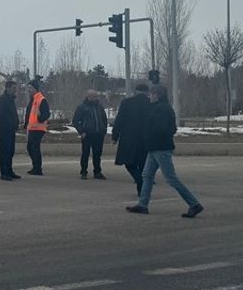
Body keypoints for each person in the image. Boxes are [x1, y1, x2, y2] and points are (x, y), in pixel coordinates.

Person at [126, 84, 203, 218]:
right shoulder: (160, 108)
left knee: (170, 178)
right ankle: (143, 204)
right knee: (147, 175)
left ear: (158, 95)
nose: (150, 96)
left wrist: (149, 136)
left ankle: (194, 204)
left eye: (153, 94)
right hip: (155, 147)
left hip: (160, 147)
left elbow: (162, 128)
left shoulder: (161, 109)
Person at [113, 84, 151, 195]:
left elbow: (119, 120)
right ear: (147, 92)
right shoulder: (151, 104)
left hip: (128, 138)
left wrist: (115, 136)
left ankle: (139, 181)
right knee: (143, 163)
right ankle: (142, 189)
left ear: (135, 91)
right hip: (146, 138)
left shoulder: (126, 103)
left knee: (129, 163)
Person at [73, 89, 109, 180]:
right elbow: (75, 121)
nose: (94, 98)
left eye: (95, 96)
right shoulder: (82, 107)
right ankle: (84, 172)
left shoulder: (99, 107)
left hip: (98, 134)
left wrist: (103, 130)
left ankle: (97, 172)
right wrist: (81, 132)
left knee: (97, 154)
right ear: (88, 96)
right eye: (92, 96)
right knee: (85, 153)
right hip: (87, 134)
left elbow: (104, 119)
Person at [23, 77, 50, 175]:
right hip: (32, 128)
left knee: (34, 148)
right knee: (30, 147)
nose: (28, 90)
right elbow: (29, 113)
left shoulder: (41, 99)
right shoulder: (33, 99)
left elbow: (46, 114)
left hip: (38, 128)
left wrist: (40, 118)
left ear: (35, 88)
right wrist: (26, 124)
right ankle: (35, 166)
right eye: (28, 88)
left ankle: (37, 168)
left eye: (30, 88)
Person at [0, 80, 20, 180]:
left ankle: (9, 170)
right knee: (5, 151)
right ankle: (4, 172)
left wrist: (16, 123)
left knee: (11, 151)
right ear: (8, 88)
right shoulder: (2, 99)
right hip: (4, 129)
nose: (15, 90)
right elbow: (3, 116)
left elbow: (13, 114)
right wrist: (11, 124)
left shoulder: (11, 99)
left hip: (11, 130)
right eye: (14, 88)